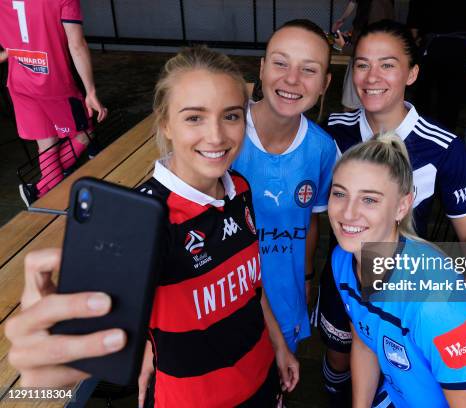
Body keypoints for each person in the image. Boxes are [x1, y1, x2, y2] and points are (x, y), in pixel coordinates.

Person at [5, 46, 298, 407]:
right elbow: (86, 328)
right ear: (164, 123)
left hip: (263, 381)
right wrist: (51, 359)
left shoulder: (239, 187)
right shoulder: (144, 221)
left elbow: (252, 287)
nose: (217, 136)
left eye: (231, 116)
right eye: (194, 118)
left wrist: (279, 345)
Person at [316, 20, 466, 405]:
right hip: (347, 275)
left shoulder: (443, 146)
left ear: (412, 73)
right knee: (340, 360)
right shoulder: (334, 131)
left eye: (388, 64)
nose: (372, 77)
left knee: (403, 372)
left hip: (409, 290)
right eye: (362, 65)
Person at [328, 132, 466, 407]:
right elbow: (365, 340)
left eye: (369, 199)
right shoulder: (343, 260)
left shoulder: (437, 305)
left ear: (402, 206)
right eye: (339, 193)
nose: (347, 214)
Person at [232, 19, 337, 353]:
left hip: (283, 295)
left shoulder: (322, 149)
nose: (291, 79)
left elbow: (311, 221)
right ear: (262, 69)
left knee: (278, 381)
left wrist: (306, 278)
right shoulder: (223, 133)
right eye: (280, 63)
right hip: (224, 295)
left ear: (325, 84)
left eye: (309, 70)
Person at [0, 0, 107, 205]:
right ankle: (41, 191)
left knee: (47, 148)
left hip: (19, 81)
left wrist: (10, 52)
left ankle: (43, 197)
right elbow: (76, 44)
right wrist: (90, 91)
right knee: (86, 134)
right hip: (55, 83)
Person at [406, 0, 466, 130]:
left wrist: (416, 44)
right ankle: (446, 134)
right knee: (451, 97)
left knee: (424, 95)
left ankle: (422, 131)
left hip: (431, 47)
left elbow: (413, 28)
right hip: (459, 48)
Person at [331, 0, 395, 111]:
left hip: (366, 62)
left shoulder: (377, 5)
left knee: (351, 105)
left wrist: (344, 47)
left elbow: (375, 44)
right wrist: (345, 23)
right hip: (361, 59)